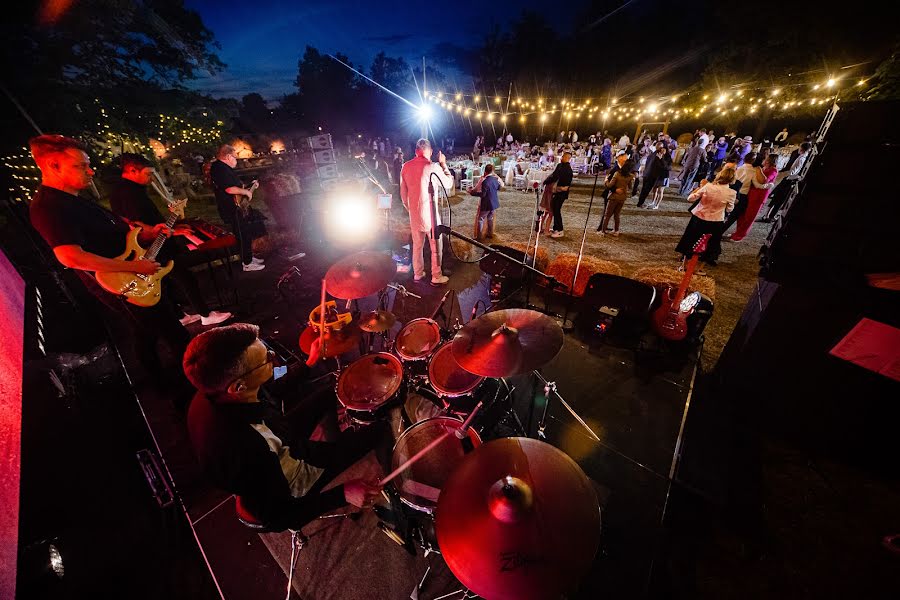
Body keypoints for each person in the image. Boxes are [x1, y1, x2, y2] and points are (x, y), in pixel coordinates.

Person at [184, 323, 385, 530]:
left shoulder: (216, 391)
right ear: (238, 387)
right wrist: (342, 494)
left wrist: (308, 362)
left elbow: (269, 386)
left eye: (266, 349)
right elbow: (280, 517)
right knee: (380, 429)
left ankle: (336, 447)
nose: (274, 357)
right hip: (286, 478)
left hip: (279, 436)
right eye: (266, 360)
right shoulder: (243, 451)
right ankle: (349, 452)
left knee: (328, 392)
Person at [27, 134, 190, 378]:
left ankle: (162, 385)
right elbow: (70, 257)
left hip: (132, 273)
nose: (90, 172)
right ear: (53, 165)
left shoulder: (74, 200)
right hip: (123, 282)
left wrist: (146, 235)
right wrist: (136, 265)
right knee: (173, 334)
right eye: (81, 166)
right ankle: (199, 390)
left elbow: (115, 233)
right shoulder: (49, 206)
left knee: (146, 333)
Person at [110, 154, 232, 326]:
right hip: (154, 244)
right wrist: (173, 232)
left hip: (152, 243)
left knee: (165, 281)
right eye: (148, 174)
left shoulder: (123, 189)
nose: (151, 178)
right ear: (132, 170)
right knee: (185, 277)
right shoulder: (129, 192)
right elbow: (138, 224)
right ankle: (205, 315)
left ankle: (180, 316)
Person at [400, 138, 453, 285]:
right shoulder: (433, 166)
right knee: (436, 245)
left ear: (416, 151)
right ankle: (436, 276)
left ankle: (418, 274)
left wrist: (410, 209)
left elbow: (403, 195)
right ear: (429, 151)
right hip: (430, 215)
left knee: (417, 246)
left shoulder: (405, 167)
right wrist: (443, 164)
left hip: (415, 215)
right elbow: (448, 184)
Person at [209, 144, 265, 272]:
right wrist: (246, 192)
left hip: (237, 207)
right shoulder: (219, 169)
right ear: (228, 156)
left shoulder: (224, 168)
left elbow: (236, 186)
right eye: (235, 158)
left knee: (246, 232)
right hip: (231, 209)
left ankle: (248, 257)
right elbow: (229, 189)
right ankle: (247, 263)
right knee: (242, 234)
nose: (236, 161)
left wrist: (250, 186)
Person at [677, 167, 737, 267]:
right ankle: (700, 268)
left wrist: (699, 189)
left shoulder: (708, 186)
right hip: (715, 221)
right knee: (710, 244)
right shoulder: (732, 193)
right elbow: (729, 209)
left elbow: (690, 198)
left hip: (699, 217)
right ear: (732, 179)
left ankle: (683, 265)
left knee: (691, 240)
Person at [727, 154, 778, 241]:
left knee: (749, 216)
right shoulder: (762, 168)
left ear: (770, 161)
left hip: (758, 196)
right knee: (742, 215)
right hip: (750, 193)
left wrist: (758, 170)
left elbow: (764, 180)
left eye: (766, 158)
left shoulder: (773, 170)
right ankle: (737, 232)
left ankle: (739, 236)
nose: (764, 160)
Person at [763, 142, 811, 221]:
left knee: (778, 199)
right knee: (778, 199)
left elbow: (792, 171)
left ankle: (768, 215)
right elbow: (793, 171)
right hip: (788, 180)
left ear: (802, 149)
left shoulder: (801, 158)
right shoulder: (802, 157)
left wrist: (783, 173)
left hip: (788, 180)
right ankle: (769, 216)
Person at [598, 159, 635, 236]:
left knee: (607, 215)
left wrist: (606, 180)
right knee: (617, 215)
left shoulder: (617, 174)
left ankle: (603, 231)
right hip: (622, 197)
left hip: (614, 197)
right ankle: (616, 230)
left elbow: (609, 185)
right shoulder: (630, 176)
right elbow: (630, 187)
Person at [543, 152, 574, 238]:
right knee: (554, 209)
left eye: (563, 156)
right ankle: (556, 228)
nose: (561, 157)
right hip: (557, 191)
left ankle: (560, 230)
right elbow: (554, 176)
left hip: (561, 192)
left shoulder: (567, 169)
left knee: (557, 210)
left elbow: (564, 182)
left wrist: (547, 182)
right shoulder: (560, 166)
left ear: (567, 158)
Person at [472, 164, 504, 239]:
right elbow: (499, 187)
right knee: (490, 218)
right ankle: (490, 234)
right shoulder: (495, 180)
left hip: (486, 204)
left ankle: (479, 236)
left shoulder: (485, 181)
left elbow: (483, 195)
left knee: (481, 219)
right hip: (494, 203)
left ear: (485, 171)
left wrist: (473, 193)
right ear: (492, 171)